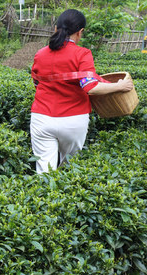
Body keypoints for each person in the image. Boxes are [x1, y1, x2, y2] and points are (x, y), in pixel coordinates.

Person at [30, 9, 134, 174]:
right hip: (73, 119)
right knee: (69, 169)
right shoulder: (82, 54)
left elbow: (37, 81)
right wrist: (119, 86)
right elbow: (90, 86)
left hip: (41, 118)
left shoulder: (40, 54)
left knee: (44, 171)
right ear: (80, 32)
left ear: (56, 28)